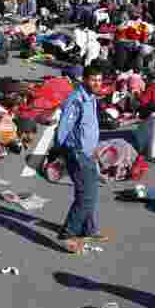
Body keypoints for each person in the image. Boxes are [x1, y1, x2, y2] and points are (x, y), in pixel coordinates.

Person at [55, 61, 109, 253]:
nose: (97, 83)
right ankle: (67, 234)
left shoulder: (91, 97)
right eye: (93, 79)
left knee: (88, 191)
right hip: (77, 153)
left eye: (99, 80)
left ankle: (88, 228)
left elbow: (88, 127)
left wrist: (93, 148)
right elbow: (64, 127)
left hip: (88, 152)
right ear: (84, 79)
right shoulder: (76, 99)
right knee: (87, 195)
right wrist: (62, 150)